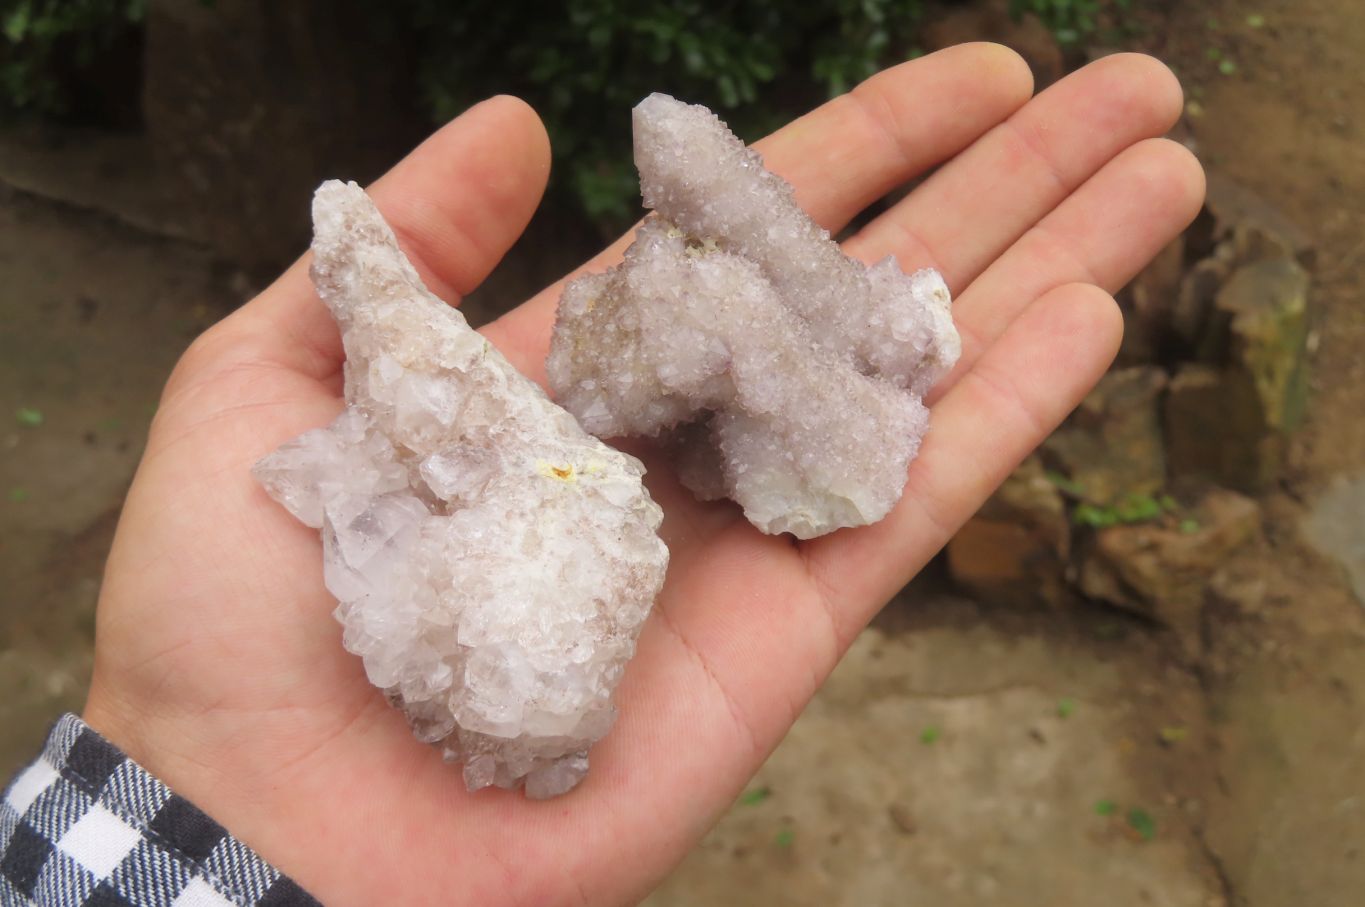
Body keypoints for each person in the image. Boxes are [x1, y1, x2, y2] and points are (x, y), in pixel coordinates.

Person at [1, 44, 1202, 906]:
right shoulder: (532, 488)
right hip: (589, 512)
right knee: (716, 305)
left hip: (703, 444)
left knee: (726, 305)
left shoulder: (677, 360)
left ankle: (857, 355)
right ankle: (851, 355)